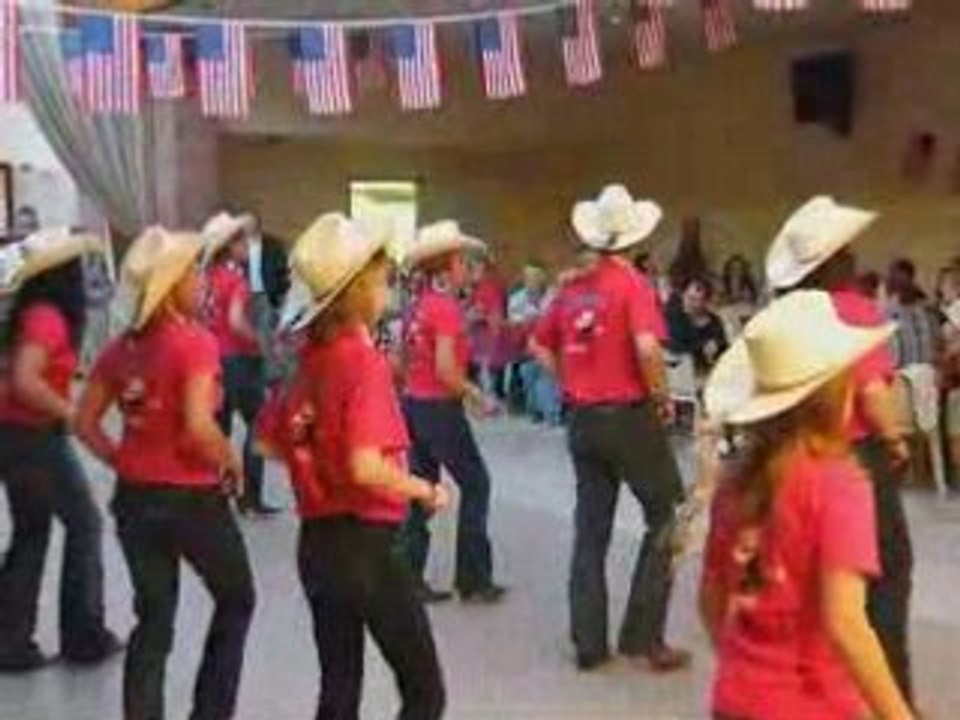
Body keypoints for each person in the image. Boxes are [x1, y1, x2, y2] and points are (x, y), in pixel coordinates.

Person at [256, 214, 447, 720]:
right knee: (424, 692)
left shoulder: (305, 361)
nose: (388, 289)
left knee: (339, 687)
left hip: (317, 544)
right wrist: (423, 489)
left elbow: (267, 443)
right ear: (357, 290)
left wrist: (314, 462)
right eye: (382, 279)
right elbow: (365, 466)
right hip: (368, 545)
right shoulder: (362, 363)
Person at [700, 290, 914, 720]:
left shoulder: (736, 480)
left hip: (736, 697)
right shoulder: (840, 484)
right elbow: (846, 623)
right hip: (812, 705)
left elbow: (711, 596)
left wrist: (746, 666)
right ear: (838, 393)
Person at [75, 227, 255, 720]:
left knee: (153, 618)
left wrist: (123, 460)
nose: (200, 282)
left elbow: (84, 421)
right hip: (191, 500)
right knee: (237, 597)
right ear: (171, 283)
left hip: (134, 498)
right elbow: (199, 426)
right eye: (192, 272)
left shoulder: (120, 349)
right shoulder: (193, 343)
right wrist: (231, 459)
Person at [531, 184, 688, 672]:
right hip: (629, 415)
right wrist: (662, 398)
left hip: (582, 419)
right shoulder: (632, 285)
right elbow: (646, 349)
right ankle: (643, 636)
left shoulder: (570, 287)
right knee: (668, 515)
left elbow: (539, 346)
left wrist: (572, 382)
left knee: (591, 528)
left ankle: (589, 642)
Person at [765, 196, 915, 704]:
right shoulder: (853, 308)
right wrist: (895, 438)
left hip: (789, 458)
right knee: (886, 576)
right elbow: (873, 392)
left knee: (811, 580)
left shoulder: (781, 313)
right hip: (850, 456)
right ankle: (889, 694)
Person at [0, 228, 121, 672]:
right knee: (84, 523)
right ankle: (83, 634)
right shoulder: (48, 317)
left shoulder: (30, 312)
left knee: (32, 533)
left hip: (13, 434)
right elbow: (26, 380)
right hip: (31, 435)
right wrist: (70, 412)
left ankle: (10, 639)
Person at [400, 220, 507, 604]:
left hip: (414, 403)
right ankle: (473, 577)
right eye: (463, 262)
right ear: (446, 266)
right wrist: (477, 397)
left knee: (422, 489)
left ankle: (407, 573)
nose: (468, 269)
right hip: (438, 408)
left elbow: (407, 359)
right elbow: (446, 370)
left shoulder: (417, 305)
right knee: (476, 483)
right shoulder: (445, 309)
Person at [201, 212, 276, 515]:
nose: (248, 244)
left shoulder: (204, 280)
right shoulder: (235, 279)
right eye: (242, 239)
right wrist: (259, 342)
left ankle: (216, 495)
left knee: (219, 430)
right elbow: (235, 321)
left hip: (210, 361)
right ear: (229, 246)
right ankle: (250, 497)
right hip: (238, 361)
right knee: (258, 426)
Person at [508, 262, 561, 424]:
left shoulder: (553, 295)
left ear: (543, 277)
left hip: (549, 348)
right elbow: (513, 322)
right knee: (530, 380)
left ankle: (552, 414)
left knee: (548, 380)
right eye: (528, 276)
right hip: (525, 349)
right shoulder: (517, 298)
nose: (531, 279)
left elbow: (558, 317)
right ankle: (536, 411)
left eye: (535, 275)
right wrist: (531, 320)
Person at [466, 255, 509, 400]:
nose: (472, 273)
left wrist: (478, 317)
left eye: (476, 269)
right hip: (479, 338)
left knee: (488, 372)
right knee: (483, 372)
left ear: (484, 270)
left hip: (490, 338)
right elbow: (468, 309)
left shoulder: (492, 288)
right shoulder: (476, 289)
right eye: (472, 269)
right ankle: (488, 399)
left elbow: (497, 315)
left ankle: (491, 401)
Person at [667, 276, 729, 375]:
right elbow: (675, 348)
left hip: (711, 371)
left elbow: (724, 348)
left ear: (706, 301)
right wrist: (702, 348)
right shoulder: (674, 318)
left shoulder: (715, 321)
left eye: (697, 300)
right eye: (689, 298)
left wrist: (717, 346)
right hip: (682, 372)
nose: (689, 304)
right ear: (683, 295)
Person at [885, 258, 940, 368]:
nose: (902, 285)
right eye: (897, 280)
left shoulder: (929, 313)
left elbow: (938, 345)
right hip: (900, 377)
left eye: (905, 280)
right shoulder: (886, 316)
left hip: (927, 375)